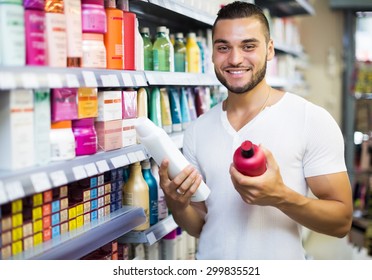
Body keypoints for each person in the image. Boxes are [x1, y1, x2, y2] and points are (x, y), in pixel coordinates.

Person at [158, 1, 353, 259]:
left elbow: (341, 222)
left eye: (248, 46)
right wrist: (177, 203)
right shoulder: (198, 130)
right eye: (223, 47)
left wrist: (280, 196)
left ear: (270, 49)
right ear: (213, 53)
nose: (235, 59)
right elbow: (201, 225)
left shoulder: (310, 119)